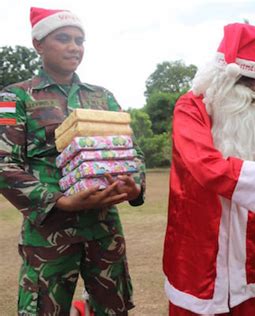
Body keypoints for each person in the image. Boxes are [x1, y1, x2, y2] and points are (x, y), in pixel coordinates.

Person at [0, 7, 146, 314]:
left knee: (114, 309)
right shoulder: (14, 98)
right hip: (49, 231)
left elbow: (132, 151)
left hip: (103, 228)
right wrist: (58, 201)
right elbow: (4, 164)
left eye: (79, 40)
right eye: (63, 38)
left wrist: (135, 186)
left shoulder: (102, 97)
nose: (74, 47)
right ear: (39, 44)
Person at [163, 23, 255, 315]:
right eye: (246, 80)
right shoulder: (190, 109)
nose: (254, 90)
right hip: (196, 264)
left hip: (247, 267)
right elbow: (208, 169)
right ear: (222, 75)